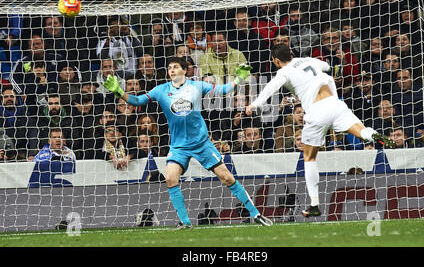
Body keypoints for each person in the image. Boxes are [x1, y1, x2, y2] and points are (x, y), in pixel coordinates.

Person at [102, 56, 272, 228]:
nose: (172, 70)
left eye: (175, 67)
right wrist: (118, 91)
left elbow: (224, 89)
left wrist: (239, 78)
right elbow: (137, 100)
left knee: (227, 177)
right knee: (170, 179)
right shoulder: (161, 90)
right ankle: (185, 222)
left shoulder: (197, 86)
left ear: (185, 70)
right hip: (179, 146)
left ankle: (256, 214)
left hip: (201, 143)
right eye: (169, 68)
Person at [245, 44, 395, 218]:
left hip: (317, 111)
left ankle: (314, 204)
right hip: (336, 104)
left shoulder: (283, 72)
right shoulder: (308, 60)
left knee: (309, 158)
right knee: (360, 131)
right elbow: (327, 67)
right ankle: (374, 135)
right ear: (292, 54)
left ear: (276, 60)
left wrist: (254, 104)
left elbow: (270, 88)